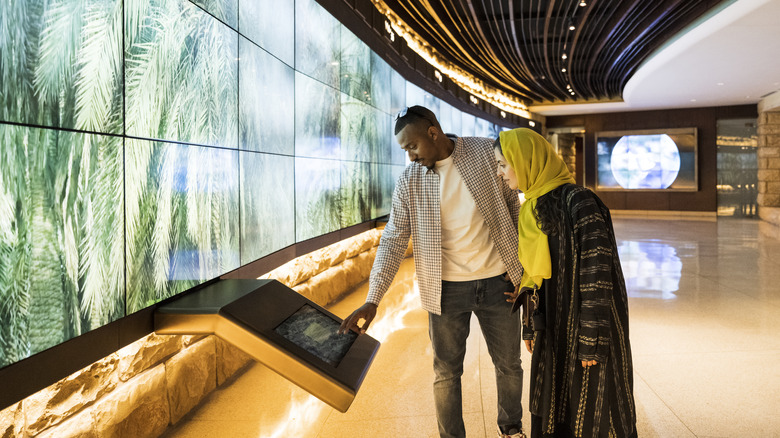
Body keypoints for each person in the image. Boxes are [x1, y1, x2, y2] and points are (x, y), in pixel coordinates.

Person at [339, 106, 527, 438]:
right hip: (446, 290)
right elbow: (394, 239)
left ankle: (510, 428)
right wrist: (373, 299)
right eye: (404, 151)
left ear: (432, 132)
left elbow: (515, 209)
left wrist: (522, 272)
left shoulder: (485, 153)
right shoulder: (410, 180)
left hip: (500, 282)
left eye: (412, 147)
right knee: (446, 373)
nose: (410, 157)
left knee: (509, 365)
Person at [494, 128, 637, 438]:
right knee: (554, 406)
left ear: (526, 160)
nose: (500, 172)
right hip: (553, 328)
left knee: (593, 409)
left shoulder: (580, 201)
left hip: (586, 327)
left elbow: (597, 273)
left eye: (504, 164)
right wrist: (530, 326)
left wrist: (590, 340)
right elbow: (532, 277)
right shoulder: (530, 209)